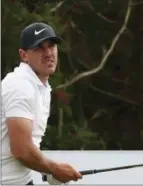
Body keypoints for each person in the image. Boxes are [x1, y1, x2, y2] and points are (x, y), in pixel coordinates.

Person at [1, 22, 82, 185]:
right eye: (39, 48)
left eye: (51, 46)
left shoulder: (39, 86)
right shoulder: (20, 85)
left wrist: (49, 170)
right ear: (23, 55)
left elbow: (28, 147)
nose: (48, 53)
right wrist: (53, 169)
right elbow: (21, 150)